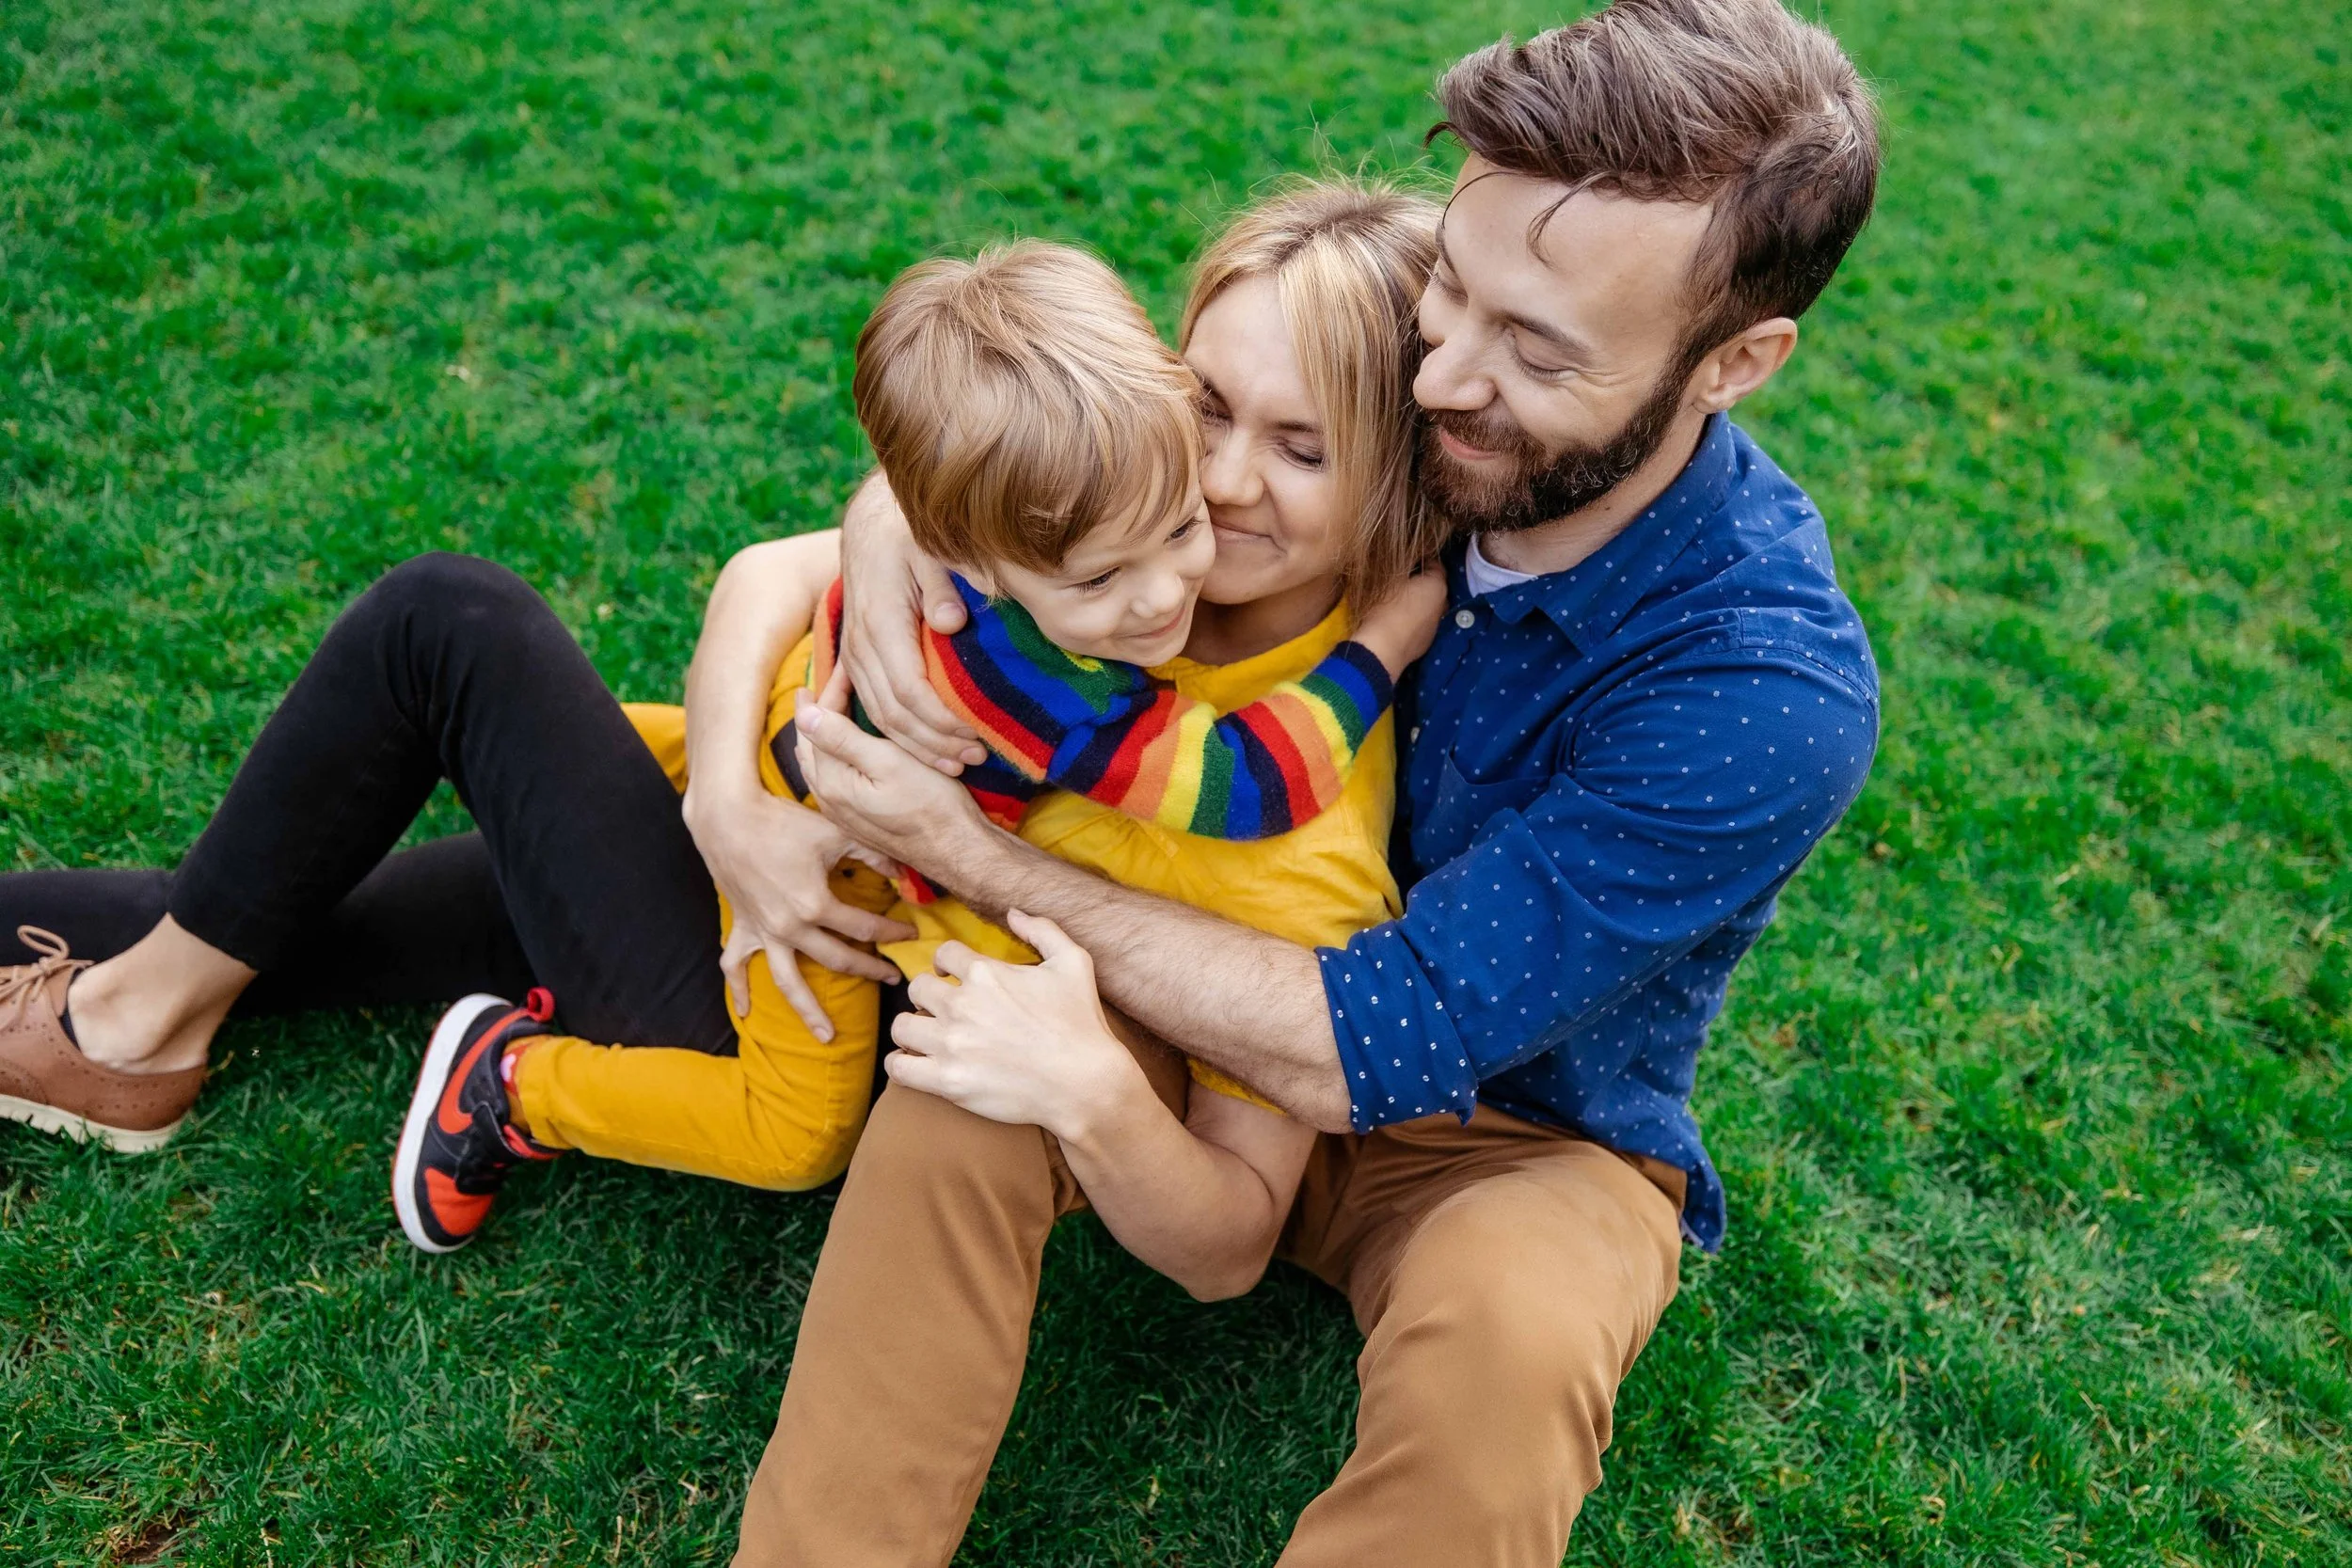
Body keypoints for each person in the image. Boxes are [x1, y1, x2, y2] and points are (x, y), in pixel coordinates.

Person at [707, 1, 1885, 1562]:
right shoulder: (1365, 419)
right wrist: (886, 526)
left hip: (1513, 1120)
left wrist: (973, 856)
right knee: (963, 1086)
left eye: (1531, 349)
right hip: (1191, 959)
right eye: (1449, 297)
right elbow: (1037, 433)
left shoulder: (1764, 688)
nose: (1448, 379)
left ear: (1734, 361)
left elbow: (1365, 1042)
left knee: (1508, 1356)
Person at [388, 228, 1446, 1256]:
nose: (1182, 562)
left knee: (561, 827)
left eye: (1299, 448)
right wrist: (1389, 634)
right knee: (795, 1133)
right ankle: (513, 1083)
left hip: (804, 723)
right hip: (833, 842)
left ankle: (588, 762)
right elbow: (1249, 776)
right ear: (974, 559)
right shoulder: (1065, 682)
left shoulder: (1056, 522)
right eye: (1208, 412)